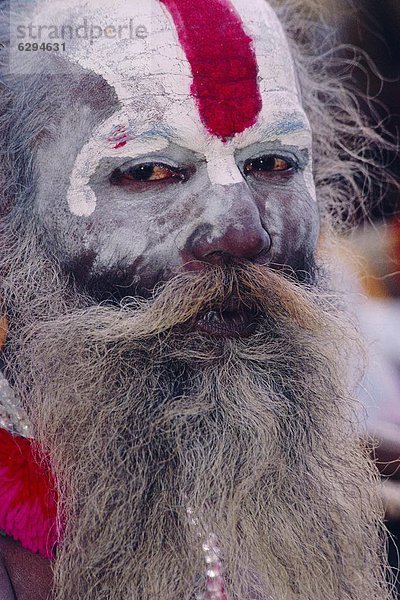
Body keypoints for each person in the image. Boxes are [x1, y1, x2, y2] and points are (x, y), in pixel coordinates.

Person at [0, 0, 394, 598]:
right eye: (149, 171)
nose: (241, 231)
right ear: (9, 215)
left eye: (272, 161)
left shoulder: (349, 502)